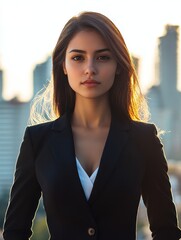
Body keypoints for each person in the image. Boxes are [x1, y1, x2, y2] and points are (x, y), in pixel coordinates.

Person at [3, 11, 181, 240]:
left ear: (118, 64)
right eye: (78, 57)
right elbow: (14, 232)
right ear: (63, 65)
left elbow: (166, 231)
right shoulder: (37, 141)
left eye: (102, 57)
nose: (89, 69)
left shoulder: (144, 139)